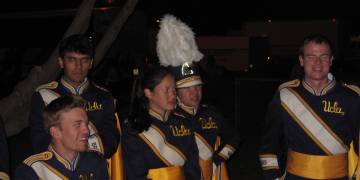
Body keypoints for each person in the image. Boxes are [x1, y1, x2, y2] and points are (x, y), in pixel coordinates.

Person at [259, 34, 360, 179]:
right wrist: (273, 177)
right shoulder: (285, 94)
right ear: (301, 60)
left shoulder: (352, 97)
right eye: (311, 57)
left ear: (331, 60)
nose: (317, 63)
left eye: (324, 57)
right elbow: (269, 145)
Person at [29, 34, 119, 159]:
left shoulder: (104, 96)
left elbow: (111, 139)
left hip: (96, 167)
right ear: (61, 62)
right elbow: (39, 141)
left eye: (84, 60)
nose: (78, 66)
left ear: (91, 63)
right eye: (72, 60)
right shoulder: (43, 96)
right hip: (58, 168)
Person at [122, 66, 202, 180]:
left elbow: (193, 168)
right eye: (167, 90)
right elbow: (135, 174)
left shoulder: (184, 122)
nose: (173, 95)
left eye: (174, 89)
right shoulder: (134, 127)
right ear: (148, 93)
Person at [14, 95, 109, 179]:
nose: (87, 131)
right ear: (55, 132)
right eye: (77, 125)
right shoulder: (32, 170)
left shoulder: (96, 163)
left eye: (86, 124)